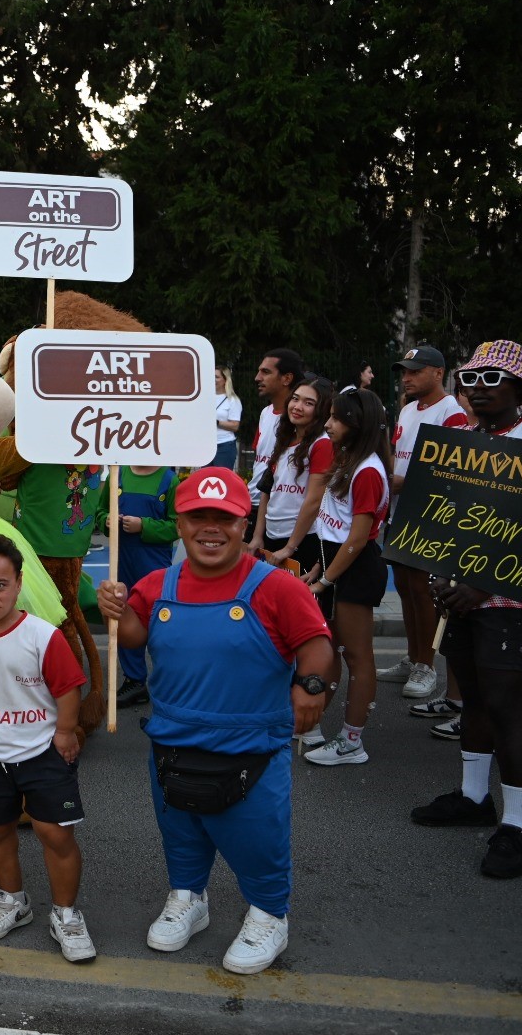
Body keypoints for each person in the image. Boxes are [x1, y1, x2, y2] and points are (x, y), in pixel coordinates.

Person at [96, 468, 335, 976]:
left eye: (223, 519)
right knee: (181, 831)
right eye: (198, 517)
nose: (211, 528)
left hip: (252, 742)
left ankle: (270, 914)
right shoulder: (158, 583)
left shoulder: (276, 587)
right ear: (179, 523)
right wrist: (116, 609)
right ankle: (189, 897)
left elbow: (317, 646)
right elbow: (135, 637)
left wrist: (310, 688)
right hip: (172, 739)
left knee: (257, 836)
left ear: (243, 522)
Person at [411, 340, 522, 878]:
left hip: (508, 599)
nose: (479, 389)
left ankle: (517, 825)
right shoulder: (455, 443)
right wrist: (436, 569)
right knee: (472, 698)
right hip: (458, 594)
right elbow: (439, 517)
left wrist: (482, 584)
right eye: (472, 380)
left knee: (504, 706)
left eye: (493, 380)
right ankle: (474, 797)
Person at [0, 535, 96, 964]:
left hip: (43, 751)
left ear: (19, 582)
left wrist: (65, 733)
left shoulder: (42, 637)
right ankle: (13, 901)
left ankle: (65, 913)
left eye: (0, 585)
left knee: (54, 832)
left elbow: (68, 689)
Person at [302, 389, 392, 765]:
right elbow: (332, 529)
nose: (327, 423)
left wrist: (325, 581)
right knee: (333, 648)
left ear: (357, 423)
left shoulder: (368, 469)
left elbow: (357, 538)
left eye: (337, 418)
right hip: (336, 566)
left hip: (355, 570)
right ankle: (313, 722)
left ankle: (352, 741)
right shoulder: (347, 462)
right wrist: (318, 572)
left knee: (358, 655)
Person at [383, 346, 469, 701]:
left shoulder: (452, 411)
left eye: (416, 371)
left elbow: (456, 468)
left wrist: (409, 482)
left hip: (432, 510)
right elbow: (397, 451)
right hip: (402, 507)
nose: (407, 378)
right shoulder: (406, 408)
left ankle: (427, 666)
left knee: (421, 587)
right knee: (404, 584)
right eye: (405, 371)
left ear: (438, 372)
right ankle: (413, 657)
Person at [102, 464, 180, 709]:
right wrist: (106, 520)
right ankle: (135, 680)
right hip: (122, 561)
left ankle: (169, 680)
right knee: (124, 615)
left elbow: (177, 526)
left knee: (161, 622)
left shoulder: (170, 480)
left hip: (155, 565)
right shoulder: (118, 473)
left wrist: (144, 526)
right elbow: (100, 512)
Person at [248, 376, 333, 579]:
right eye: (295, 399)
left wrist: (290, 547)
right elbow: (267, 489)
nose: (297, 406)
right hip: (272, 537)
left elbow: (313, 500)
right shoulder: (284, 437)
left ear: (321, 409)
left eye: (308, 403)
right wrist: (258, 535)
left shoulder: (322, 444)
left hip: (302, 541)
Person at [248, 349, 304, 522]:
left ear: (287, 378)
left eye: (265, 372)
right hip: (253, 503)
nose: (257, 378)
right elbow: (260, 460)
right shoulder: (265, 413)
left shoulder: (301, 421)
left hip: (279, 512)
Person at [213, 369, 242, 471]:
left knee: (221, 480)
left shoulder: (233, 400)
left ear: (225, 380)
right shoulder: (206, 397)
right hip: (207, 446)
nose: (213, 379)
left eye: (217, 377)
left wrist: (216, 422)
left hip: (224, 446)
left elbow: (235, 426)